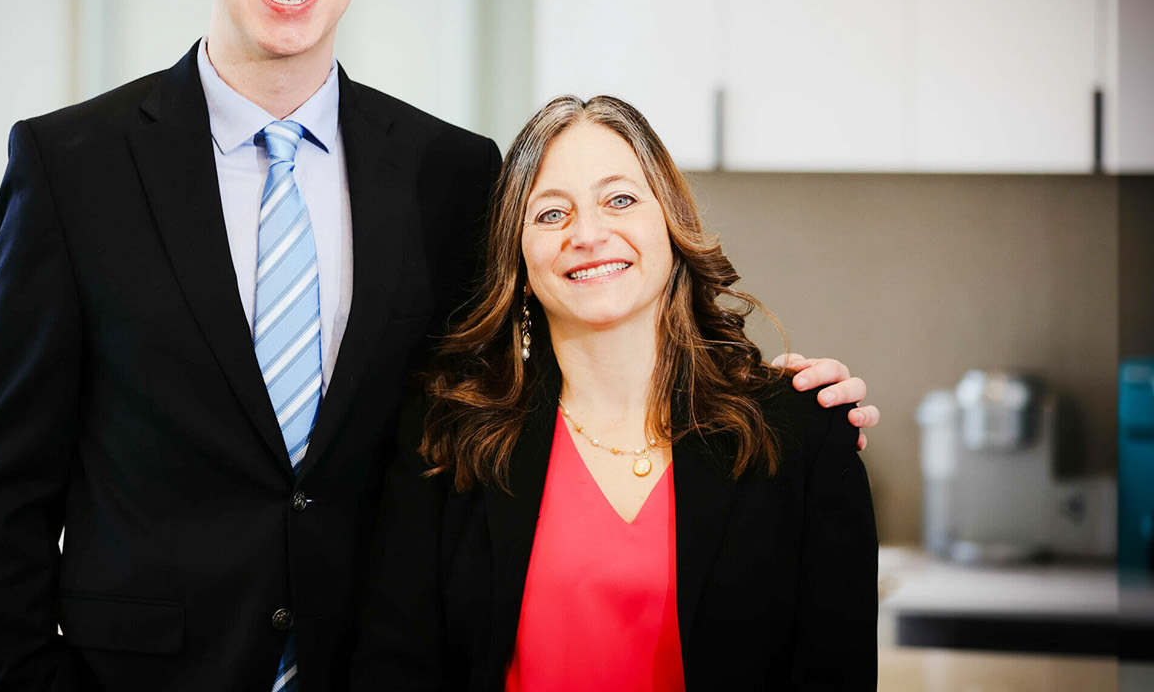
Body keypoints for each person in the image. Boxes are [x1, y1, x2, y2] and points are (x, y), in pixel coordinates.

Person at [0, 0, 878, 692]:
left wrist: (773, 395)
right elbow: (0, 492)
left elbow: (540, 361)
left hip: (376, 662)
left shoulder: (450, 174)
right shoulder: (73, 167)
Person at [352, 94, 879, 690]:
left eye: (620, 199)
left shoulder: (802, 431)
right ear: (519, 264)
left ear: (670, 225)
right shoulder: (446, 437)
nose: (588, 233)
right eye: (551, 214)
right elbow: (393, 669)